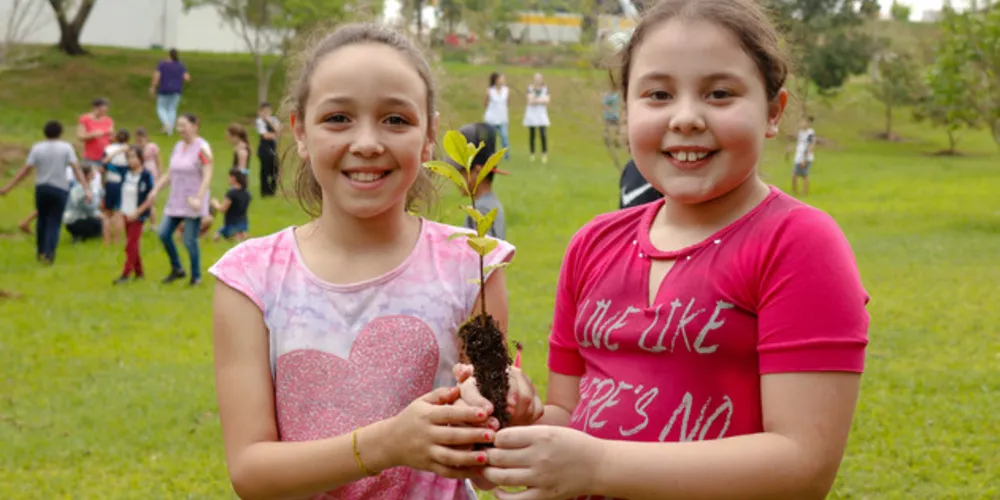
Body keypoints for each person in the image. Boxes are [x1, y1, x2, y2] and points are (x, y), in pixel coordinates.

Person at [457, 1, 871, 498]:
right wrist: (520, 425)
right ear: (627, 109)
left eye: (720, 93)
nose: (687, 117)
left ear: (774, 112)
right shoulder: (592, 245)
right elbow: (569, 415)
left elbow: (802, 465)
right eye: (658, 94)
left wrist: (598, 464)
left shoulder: (796, 243)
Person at [206, 23, 534, 500]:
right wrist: (385, 445)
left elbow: (484, 464)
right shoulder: (251, 279)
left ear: (429, 136)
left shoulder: (470, 263)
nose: (367, 143)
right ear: (299, 130)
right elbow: (252, 473)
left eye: (396, 120)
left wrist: (507, 414)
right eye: (338, 118)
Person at [0, 120, 88, 264]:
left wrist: (8, 187)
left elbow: (26, 170)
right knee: (54, 221)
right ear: (60, 132)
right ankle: (49, 253)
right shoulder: (66, 148)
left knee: (42, 220)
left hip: (42, 188)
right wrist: (86, 188)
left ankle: (40, 251)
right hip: (60, 188)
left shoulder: (37, 148)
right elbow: (76, 168)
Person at [150, 113, 213, 286]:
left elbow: (208, 175)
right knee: (163, 234)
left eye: (183, 125)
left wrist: (199, 198)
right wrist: (155, 189)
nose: (180, 129)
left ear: (194, 126)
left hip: (193, 200)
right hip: (176, 200)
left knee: (189, 240)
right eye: (178, 125)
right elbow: (170, 172)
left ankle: (196, 277)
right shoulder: (178, 146)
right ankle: (177, 268)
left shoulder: (202, 148)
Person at [450, 122, 510, 241]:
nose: (454, 178)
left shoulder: (481, 212)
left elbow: (484, 257)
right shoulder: (489, 205)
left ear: (478, 171)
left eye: (460, 172)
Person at [115, 147, 156, 284]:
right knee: (133, 245)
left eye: (134, 156)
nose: (131, 160)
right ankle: (139, 272)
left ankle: (126, 274)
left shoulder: (146, 175)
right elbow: (105, 164)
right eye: (129, 157)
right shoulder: (125, 173)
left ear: (140, 158)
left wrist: (138, 212)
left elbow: (150, 198)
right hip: (126, 212)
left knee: (130, 245)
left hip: (138, 215)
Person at [100, 129, 131, 246]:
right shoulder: (129, 150)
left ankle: (106, 241)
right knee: (118, 213)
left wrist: (102, 183)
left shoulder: (108, 149)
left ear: (116, 138)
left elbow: (103, 167)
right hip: (123, 183)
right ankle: (117, 240)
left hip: (110, 183)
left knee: (107, 213)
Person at [150, 48, 191, 135]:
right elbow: (187, 78)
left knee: (160, 108)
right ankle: (170, 132)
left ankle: (166, 123)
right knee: (172, 109)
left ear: (169, 55)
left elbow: (157, 76)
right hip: (176, 90)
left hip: (164, 89)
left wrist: (153, 87)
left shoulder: (162, 64)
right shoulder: (180, 65)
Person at [63, 165, 104, 243]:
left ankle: (82, 235)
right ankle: (78, 234)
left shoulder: (89, 187)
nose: (95, 174)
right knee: (99, 224)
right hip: (75, 220)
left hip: (81, 217)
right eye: (92, 172)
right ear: (88, 175)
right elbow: (86, 207)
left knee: (100, 223)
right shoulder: (79, 189)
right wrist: (98, 214)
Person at [211, 168, 251, 242]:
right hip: (244, 225)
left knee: (216, 237)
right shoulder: (247, 193)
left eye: (228, 177)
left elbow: (223, 209)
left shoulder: (231, 193)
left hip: (231, 225)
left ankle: (236, 235)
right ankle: (241, 234)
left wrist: (215, 203)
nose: (227, 179)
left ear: (233, 178)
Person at [135, 127, 162, 230]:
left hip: (152, 174)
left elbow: (158, 161)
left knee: (150, 200)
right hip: (141, 175)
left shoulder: (152, 147)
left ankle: (153, 224)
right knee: (140, 199)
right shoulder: (137, 149)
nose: (139, 143)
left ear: (146, 138)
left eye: (141, 140)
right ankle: (141, 222)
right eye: (137, 141)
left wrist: (159, 174)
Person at [77, 98, 114, 171]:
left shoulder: (108, 120)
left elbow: (111, 138)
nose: (104, 113)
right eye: (102, 111)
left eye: (105, 111)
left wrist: (113, 138)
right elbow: (80, 136)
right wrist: (93, 135)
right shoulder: (85, 119)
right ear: (95, 108)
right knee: (90, 179)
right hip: (90, 158)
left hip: (105, 157)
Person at [523, 72, 551, 164]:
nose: (538, 80)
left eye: (539, 79)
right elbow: (530, 101)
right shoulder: (530, 88)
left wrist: (537, 100)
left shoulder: (545, 89)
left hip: (541, 114)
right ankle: (532, 153)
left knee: (543, 134)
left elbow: (547, 100)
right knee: (532, 134)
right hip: (532, 114)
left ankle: (544, 153)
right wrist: (540, 100)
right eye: (536, 79)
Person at [255, 102, 281, 197]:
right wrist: (275, 135)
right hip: (264, 148)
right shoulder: (259, 121)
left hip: (273, 148)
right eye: (263, 111)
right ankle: (264, 192)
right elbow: (265, 135)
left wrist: (269, 121)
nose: (266, 113)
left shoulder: (274, 120)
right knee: (265, 171)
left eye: (267, 111)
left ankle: (272, 191)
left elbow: (278, 130)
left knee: (276, 170)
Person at [484, 71, 510, 159]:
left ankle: (506, 155)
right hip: (492, 118)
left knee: (504, 136)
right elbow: (485, 103)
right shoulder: (490, 91)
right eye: (500, 78)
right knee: (491, 138)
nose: (502, 80)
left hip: (502, 118)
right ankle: (492, 155)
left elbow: (507, 103)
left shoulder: (506, 90)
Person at [792, 115, 816, 196]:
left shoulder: (810, 133)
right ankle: (794, 191)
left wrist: (805, 159)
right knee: (794, 174)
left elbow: (810, 146)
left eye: (804, 122)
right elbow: (799, 144)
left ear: (808, 123)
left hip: (805, 157)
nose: (802, 123)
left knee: (804, 175)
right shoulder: (800, 132)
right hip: (798, 156)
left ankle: (804, 192)